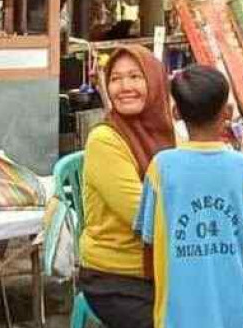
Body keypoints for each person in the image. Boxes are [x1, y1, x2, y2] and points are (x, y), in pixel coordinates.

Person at [133, 65, 243, 328]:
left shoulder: (161, 167)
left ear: (176, 112)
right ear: (227, 113)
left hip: (176, 313)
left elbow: (147, 243)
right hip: (234, 310)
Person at [79, 45, 176, 328]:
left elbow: (204, 181)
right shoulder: (105, 140)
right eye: (116, 78)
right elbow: (143, 215)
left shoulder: (168, 132)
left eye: (135, 76)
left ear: (156, 82)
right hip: (117, 277)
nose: (124, 87)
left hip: (164, 268)